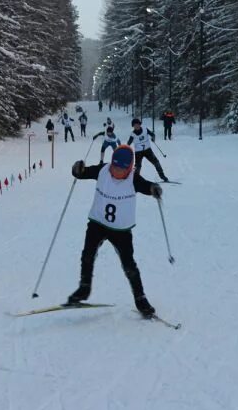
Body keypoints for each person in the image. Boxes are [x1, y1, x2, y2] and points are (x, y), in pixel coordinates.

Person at [66, 146, 163, 317]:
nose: (115, 171)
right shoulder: (102, 170)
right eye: (114, 166)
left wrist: (154, 188)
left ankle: (141, 299)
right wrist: (77, 170)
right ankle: (84, 288)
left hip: (121, 230)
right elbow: (82, 173)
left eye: (120, 169)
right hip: (97, 222)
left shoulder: (133, 179)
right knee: (87, 255)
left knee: (129, 265)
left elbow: (146, 186)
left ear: (129, 168)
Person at [128, 118, 168, 182]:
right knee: (138, 166)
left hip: (147, 150)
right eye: (135, 125)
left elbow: (152, 134)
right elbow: (128, 143)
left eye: (137, 124)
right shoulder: (133, 134)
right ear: (133, 126)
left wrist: (153, 138)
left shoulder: (145, 129)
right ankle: (135, 179)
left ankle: (162, 176)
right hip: (138, 152)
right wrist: (125, 148)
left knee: (156, 162)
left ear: (139, 124)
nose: (136, 126)